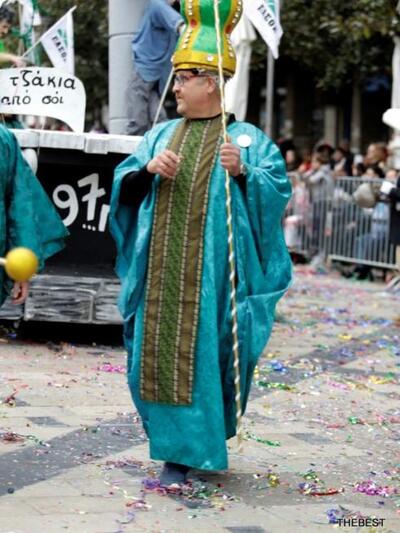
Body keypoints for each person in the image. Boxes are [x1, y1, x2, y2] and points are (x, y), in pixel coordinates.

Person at [110, 0, 292, 486]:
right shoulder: (160, 136)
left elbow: (277, 194)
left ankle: (194, 449)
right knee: (154, 362)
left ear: (209, 82)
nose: (174, 88)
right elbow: (123, 189)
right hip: (159, 279)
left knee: (210, 362)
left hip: (216, 287)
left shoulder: (247, 138)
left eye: (183, 79)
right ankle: (175, 450)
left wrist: (245, 172)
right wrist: (147, 171)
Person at [0, 125, 68, 307]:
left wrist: (21, 270)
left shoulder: (4, 140)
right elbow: (21, 208)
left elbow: (21, 208)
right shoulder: (4, 139)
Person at [125, 0, 183, 135]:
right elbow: (178, 24)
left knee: (159, 121)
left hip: (156, 77)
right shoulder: (157, 5)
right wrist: (184, 28)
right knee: (138, 123)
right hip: (145, 71)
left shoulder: (166, 10)